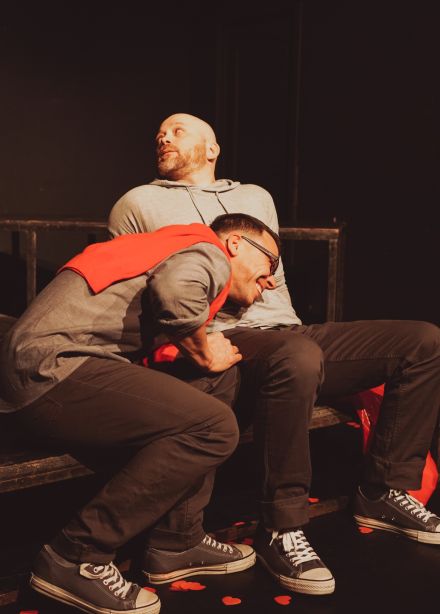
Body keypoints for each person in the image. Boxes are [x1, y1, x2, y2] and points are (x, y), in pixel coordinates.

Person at [108, 112, 440, 597]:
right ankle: (282, 527)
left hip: (286, 329)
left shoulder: (255, 197)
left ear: (212, 147)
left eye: (177, 130)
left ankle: (383, 491)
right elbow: (134, 289)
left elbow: (271, 282)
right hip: (219, 336)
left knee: (423, 341)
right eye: (159, 132)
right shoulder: (137, 203)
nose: (163, 136)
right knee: (297, 355)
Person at [0, 213, 281, 614]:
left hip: (48, 369)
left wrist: (206, 362)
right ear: (235, 244)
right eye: (271, 263)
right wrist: (204, 352)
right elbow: (176, 291)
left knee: (216, 381)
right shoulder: (208, 251)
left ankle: (178, 541)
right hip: (51, 369)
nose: (272, 281)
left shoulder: (169, 246)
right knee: (215, 428)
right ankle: (76, 556)